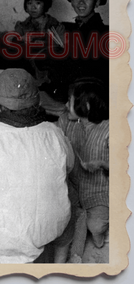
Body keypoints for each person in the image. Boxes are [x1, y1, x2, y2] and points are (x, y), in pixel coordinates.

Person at [0, 69, 74, 263]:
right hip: (49, 229)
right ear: (38, 103)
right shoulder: (54, 132)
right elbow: (69, 166)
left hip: (4, 237)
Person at [58, 78, 109, 253]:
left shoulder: (110, 129)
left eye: (70, 102)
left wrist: (103, 164)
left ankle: (99, 231)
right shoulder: (66, 121)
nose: (65, 105)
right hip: (71, 186)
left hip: (98, 191)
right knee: (60, 222)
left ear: (86, 106)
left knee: (95, 226)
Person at [53, 0, 109, 103]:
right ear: (72, 2)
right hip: (70, 92)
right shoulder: (70, 28)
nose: (81, 3)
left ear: (97, 2)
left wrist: (65, 44)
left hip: (89, 96)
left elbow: (90, 68)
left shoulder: (103, 32)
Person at [9, 0, 65, 87]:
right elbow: (13, 43)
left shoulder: (54, 26)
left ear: (46, 4)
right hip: (27, 73)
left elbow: (62, 47)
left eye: (38, 3)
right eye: (29, 3)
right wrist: (22, 39)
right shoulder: (22, 26)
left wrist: (43, 44)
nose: (33, 7)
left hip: (48, 75)